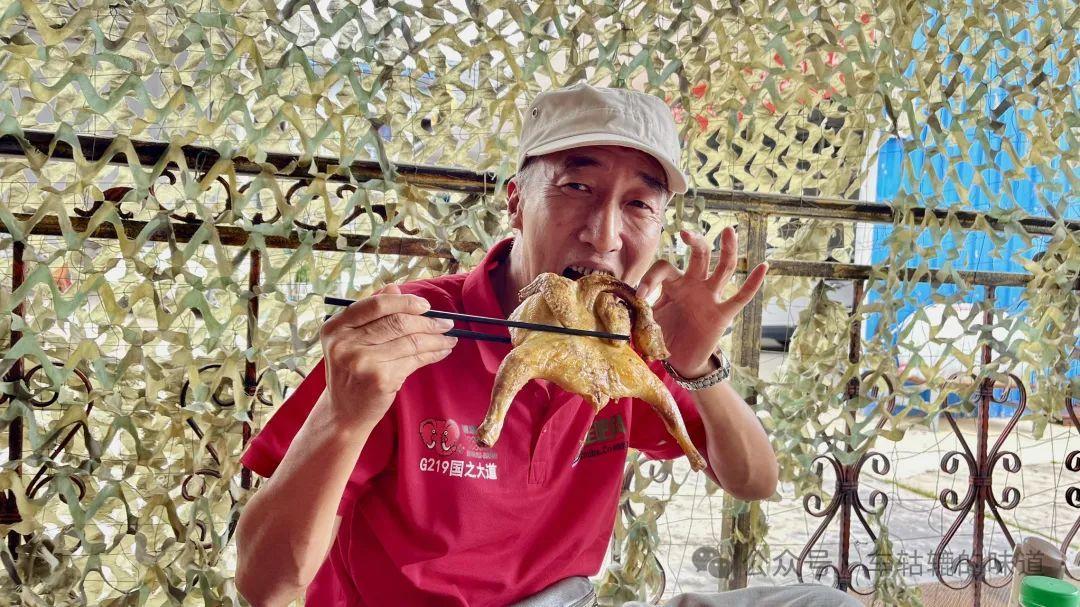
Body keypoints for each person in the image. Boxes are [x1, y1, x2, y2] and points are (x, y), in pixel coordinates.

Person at [234, 82, 859, 607]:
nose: (604, 234)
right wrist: (344, 417)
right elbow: (267, 586)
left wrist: (698, 365)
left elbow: (753, 480)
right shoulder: (411, 333)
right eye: (577, 187)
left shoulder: (626, 339)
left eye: (638, 204)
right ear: (516, 201)